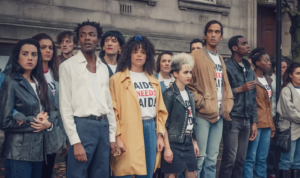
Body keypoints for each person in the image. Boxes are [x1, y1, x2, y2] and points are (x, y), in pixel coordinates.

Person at [59, 20, 119, 178]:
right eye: (83, 35)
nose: (87, 38)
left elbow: (109, 104)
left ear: (99, 40)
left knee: (101, 174)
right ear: (78, 40)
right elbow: (65, 107)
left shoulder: (103, 67)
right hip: (82, 127)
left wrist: (112, 137)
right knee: (77, 174)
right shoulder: (68, 66)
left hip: (104, 127)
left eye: (92, 35)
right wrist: (75, 142)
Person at [109, 35, 168, 178]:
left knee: (147, 173)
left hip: (149, 128)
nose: (139, 55)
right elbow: (113, 111)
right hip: (127, 129)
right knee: (124, 172)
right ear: (128, 54)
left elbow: (160, 111)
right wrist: (117, 136)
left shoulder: (153, 79)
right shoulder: (117, 79)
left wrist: (160, 135)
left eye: (143, 52)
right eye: (135, 51)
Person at [0, 38, 53, 178]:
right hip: (18, 152)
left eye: (34, 54)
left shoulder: (40, 84)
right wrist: (34, 122)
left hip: (38, 152)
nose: (30, 58)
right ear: (17, 58)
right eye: (25, 53)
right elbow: (4, 122)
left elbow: (47, 114)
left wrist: (48, 124)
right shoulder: (10, 83)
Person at [187, 20, 234, 178]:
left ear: (221, 36)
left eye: (217, 32)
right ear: (205, 35)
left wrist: (228, 103)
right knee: (199, 158)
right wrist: (200, 101)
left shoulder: (220, 58)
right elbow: (187, 83)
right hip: (202, 114)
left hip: (219, 115)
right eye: (210, 31)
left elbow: (224, 85)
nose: (213, 34)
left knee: (212, 160)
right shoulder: (195, 56)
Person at [219, 35, 257, 178]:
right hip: (233, 118)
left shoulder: (248, 67)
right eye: (244, 44)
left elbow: (253, 97)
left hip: (246, 119)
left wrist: (254, 121)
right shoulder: (227, 67)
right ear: (235, 48)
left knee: (241, 160)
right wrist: (239, 89)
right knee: (229, 160)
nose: (248, 46)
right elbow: (222, 93)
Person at [32, 33, 67, 178]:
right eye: (43, 47)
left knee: (47, 173)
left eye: (51, 48)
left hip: (54, 132)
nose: (48, 51)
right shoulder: (29, 74)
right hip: (35, 134)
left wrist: (63, 138)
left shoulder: (58, 73)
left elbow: (63, 108)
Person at [161, 53, 199, 178]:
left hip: (188, 141)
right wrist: (167, 148)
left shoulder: (190, 95)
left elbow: (190, 121)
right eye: (185, 72)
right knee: (171, 175)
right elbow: (164, 123)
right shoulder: (169, 94)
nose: (189, 75)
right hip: (173, 142)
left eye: (190, 72)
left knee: (192, 174)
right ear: (176, 73)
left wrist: (194, 141)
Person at [242, 47, 275, 178]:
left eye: (269, 60)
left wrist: (272, 126)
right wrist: (252, 123)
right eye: (266, 60)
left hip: (267, 124)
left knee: (262, 158)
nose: (269, 63)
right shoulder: (250, 77)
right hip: (256, 123)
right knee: (251, 157)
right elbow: (250, 103)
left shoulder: (268, 80)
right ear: (257, 63)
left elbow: (269, 105)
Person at [277, 62, 300, 178]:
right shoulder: (286, 90)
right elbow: (289, 112)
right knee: (287, 160)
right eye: (298, 73)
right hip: (289, 131)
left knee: (298, 162)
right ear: (291, 75)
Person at [267, 59, 288, 178]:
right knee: (272, 145)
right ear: (276, 68)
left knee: (282, 143)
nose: (285, 69)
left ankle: (279, 169)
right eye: (283, 67)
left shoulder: (284, 81)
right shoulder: (271, 81)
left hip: (282, 116)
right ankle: (271, 171)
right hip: (273, 114)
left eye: (286, 67)